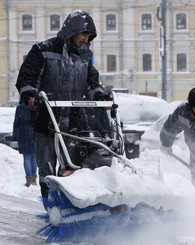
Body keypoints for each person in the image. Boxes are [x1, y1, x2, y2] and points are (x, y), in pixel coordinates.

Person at [15, 10, 110, 201]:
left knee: (73, 164)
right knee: (47, 166)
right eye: (84, 34)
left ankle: (71, 203)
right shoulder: (44, 49)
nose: (86, 39)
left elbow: (92, 81)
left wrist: (99, 95)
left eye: (89, 36)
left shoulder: (85, 55)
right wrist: (31, 97)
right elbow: (26, 79)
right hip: (47, 118)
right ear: (73, 30)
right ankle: (50, 203)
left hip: (74, 120)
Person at [13, 102, 38, 187]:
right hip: (35, 132)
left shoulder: (20, 108)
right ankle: (34, 179)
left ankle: (29, 179)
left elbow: (16, 121)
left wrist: (15, 134)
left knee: (27, 157)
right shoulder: (36, 105)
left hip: (23, 133)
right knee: (34, 156)